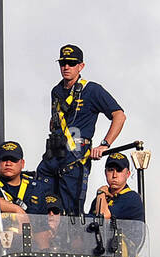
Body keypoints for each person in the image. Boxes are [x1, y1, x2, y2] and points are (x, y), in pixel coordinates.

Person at [37, 44, 126, 214]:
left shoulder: (92, 90)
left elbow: (119, 115)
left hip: (75, 156)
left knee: (70, 211)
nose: (66, 67)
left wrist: (104, 144)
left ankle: (72, 238)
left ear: (81, 66)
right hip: (53, 154)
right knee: (43, 203)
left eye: (71, 63)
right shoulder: (56, 91)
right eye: (63, 63)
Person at [0, 141, 55, 255]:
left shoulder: (35, 187)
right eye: (4, 159)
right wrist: (17, 211)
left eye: (13, 160)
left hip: (26, 254)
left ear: (22, 163)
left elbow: (41, 227)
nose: (8, 163)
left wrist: (44, 254)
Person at [90, 152, 146, 222]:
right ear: (105, 173)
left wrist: (100, 192)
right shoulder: (100, 198)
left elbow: (103, 217)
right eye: (110, 170)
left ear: (128, 174)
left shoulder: (131, 198)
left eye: (119, 170)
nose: (114, 175)